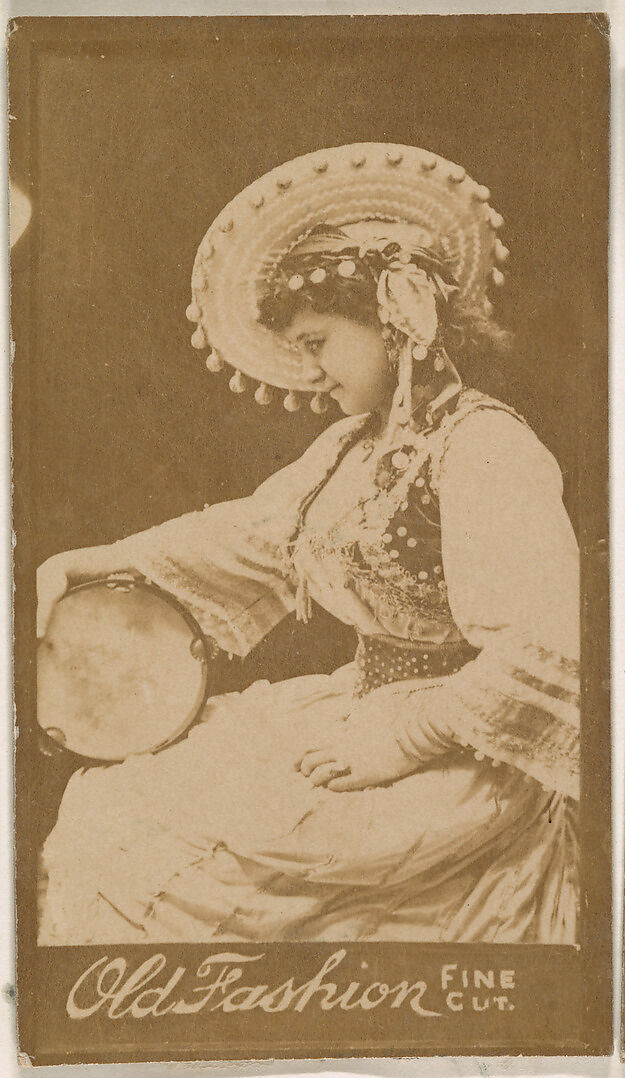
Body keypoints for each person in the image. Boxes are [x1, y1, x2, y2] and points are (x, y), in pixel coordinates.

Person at [37, 143, 579, 945]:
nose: (310, 371)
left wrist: (406, 737)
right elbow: (257, 534)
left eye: (317, 341)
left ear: (394, 315)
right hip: (356, 706)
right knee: (108, 807)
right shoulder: (350, 448)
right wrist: (91, 560)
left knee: (154, 847)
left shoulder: (483, 448)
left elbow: (549, 645)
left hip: (457, 752)